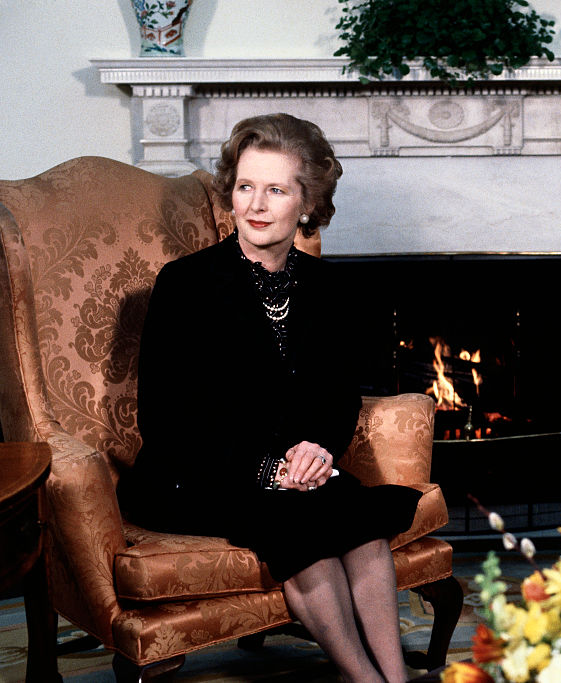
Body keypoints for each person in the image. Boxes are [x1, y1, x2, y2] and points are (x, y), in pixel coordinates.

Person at [119, 113, 420, 682]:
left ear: (307, 204)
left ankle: (395, 678)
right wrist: (266, 470)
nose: (256, 205)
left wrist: (317, 450)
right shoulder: (185, 284)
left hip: (293, 472)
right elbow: (166, 420)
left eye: (276, 190)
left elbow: (338, 396)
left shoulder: (328, 288)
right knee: (299, 526)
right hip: (194, 475)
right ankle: (366, 680)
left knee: (359, 518)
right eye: (245, 187)